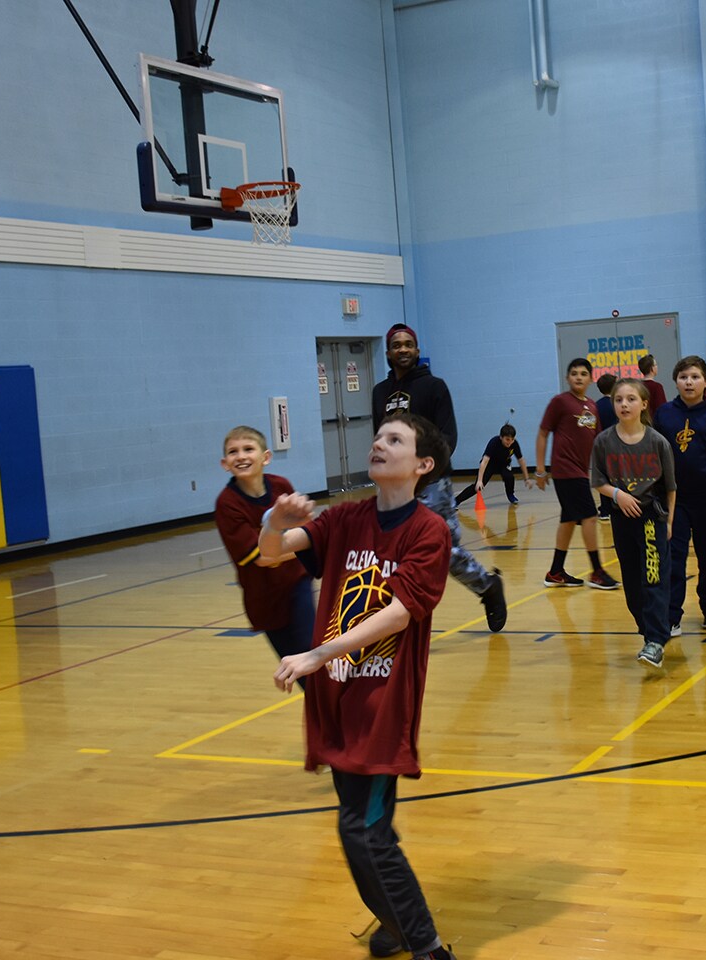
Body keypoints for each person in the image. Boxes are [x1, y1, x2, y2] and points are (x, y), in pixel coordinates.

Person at [261, 412, 460, 960]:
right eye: (378, 436)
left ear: (422, 464)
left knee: (365, 833)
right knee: (361, 832)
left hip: (380, 706)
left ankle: (425, 945)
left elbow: (398, 614)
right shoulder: (345, 519)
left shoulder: (429, 531)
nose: (378, 443)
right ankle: (397, 925)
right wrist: (274, 521)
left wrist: (317, 653)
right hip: (337, 701)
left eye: (394, 439)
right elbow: (273, 552)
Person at [372, 323, 507, 632]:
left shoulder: (434, 387)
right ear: (389, 352)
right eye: (397, 345)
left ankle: (487, 586)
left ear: (417, 351)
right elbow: (377, 436)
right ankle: (395, 616)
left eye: (408, 344)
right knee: (391, 552)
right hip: (395, 487)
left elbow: (448, 436)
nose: (403, 349)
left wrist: (425, 470)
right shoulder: (380, 392)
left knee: (443, 552)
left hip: (433, 483)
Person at [590, 379, 676, 670]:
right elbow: (598, 481)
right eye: (618, 400)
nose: (624, 404)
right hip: (621, 517)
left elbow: (671, 487)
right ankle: (648, 631)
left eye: (630, 399)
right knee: (632, 584)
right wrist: (618, 495)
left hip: (651, 517)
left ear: (643, 404)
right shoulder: (603, 441)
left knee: (653, 579)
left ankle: (655, 640)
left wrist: (670, 522)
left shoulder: (657, 441)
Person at [213, 425, 314, 669]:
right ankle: (320, 706)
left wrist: (314, 537)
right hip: (264, 599)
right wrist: (307, 546)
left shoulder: (280, 486)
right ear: (225, 463)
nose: (241, 456)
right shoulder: (227, 504)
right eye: (233, 452)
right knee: (294, 667)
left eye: (248, 449)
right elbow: (262, 558)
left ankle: (331, 706)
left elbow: (305, 529)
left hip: (296, 584)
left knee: (311, 655)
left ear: (265, 457)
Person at [653, 355, 706, 634]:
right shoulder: (664, 414)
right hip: (674, 501)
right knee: (674, 558)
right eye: (683, 377)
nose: (689, 382)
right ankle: (672, 615)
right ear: (675, 381)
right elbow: (654, 457)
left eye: (695, 377)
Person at [535, 358, 618, 590]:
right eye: (574, 373)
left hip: (582, 470)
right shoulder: (560, 402)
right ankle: (597, 571)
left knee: (569, 519)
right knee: (590, 516)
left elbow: (599, 440)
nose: (578, 377)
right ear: (567, 378)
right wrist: (540, 470)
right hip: (565, 469)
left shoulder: (592, 406)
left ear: (591, 378)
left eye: (583, 373)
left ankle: (555, 571)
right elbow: (542, 434)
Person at [453, 423, 530, 506]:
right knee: (477, 487)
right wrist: (479, 480)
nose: (510, 442)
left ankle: (510, 494)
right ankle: (456, 501)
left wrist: (526, 478)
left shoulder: (514, 444)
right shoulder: (494, 442)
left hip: (504, 464)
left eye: (512, 439)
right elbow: (484, 461)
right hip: (490, 464)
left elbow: (521, 460)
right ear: (501, 437)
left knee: (509, 477)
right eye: (507, 439)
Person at [594, 373, 619, 519]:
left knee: (603, 478)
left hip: (601, 446)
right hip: (617, 445)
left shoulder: (596, 406)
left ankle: (605, 510)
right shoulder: (616, 404)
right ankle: (615, 506)